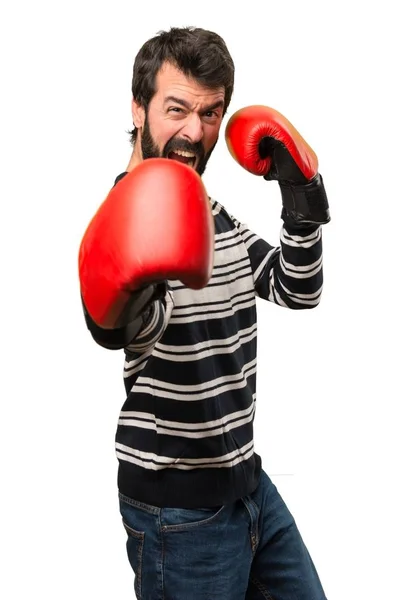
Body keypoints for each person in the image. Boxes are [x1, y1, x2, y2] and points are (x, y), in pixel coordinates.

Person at [78, 26, 330, 600]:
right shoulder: (130, 217)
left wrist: (299, 194)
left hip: (247, 486)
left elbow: (297, 288)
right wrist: (131, 303)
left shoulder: (208, 212)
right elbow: (120, 328)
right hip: (179, 508)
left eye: (212, 112)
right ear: (138, 109)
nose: (196, 131)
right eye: (177, 109)